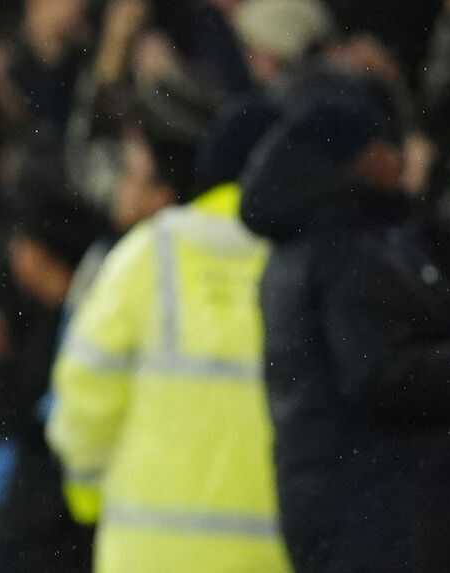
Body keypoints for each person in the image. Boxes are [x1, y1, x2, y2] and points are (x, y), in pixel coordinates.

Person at [44, 94, 291, 573]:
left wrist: (87, 491)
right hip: (274, 557)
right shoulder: (306, 263)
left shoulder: (146, 257)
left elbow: (82, 394)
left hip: (148, 555)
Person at [240, 85, 450, 572]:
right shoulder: (344, 250)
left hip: (359, 516)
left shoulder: (319, 242)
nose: (398, 159)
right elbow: (385, 375)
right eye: (385, 146)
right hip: (386, 525)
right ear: (358, 158)